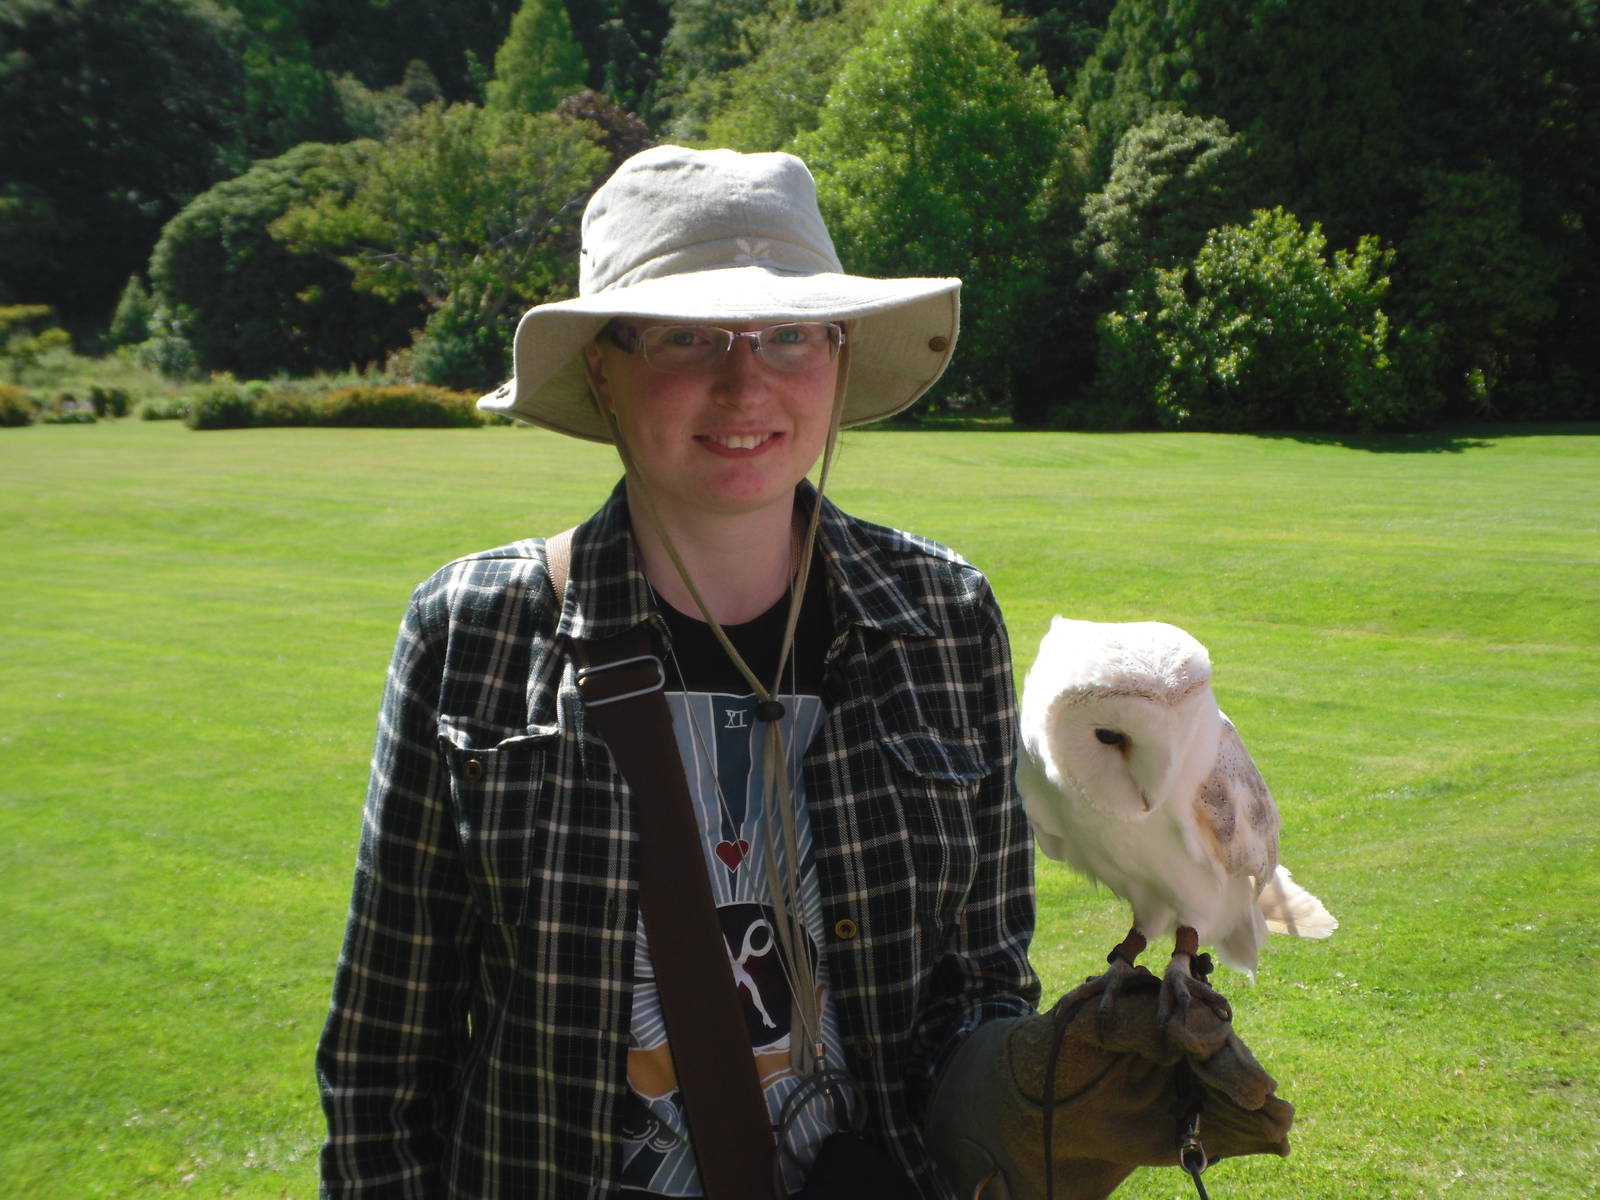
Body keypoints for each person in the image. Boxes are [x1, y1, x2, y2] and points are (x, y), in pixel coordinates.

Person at [317, 145, 1291, 1200]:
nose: (747, 382)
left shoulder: (942, 617)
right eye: (689, 337)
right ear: (603, 362)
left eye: (789, 335)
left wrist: (1035, 1079)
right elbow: (383, 1059)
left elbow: (976, 985)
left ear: (835, 355)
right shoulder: (475, 629)